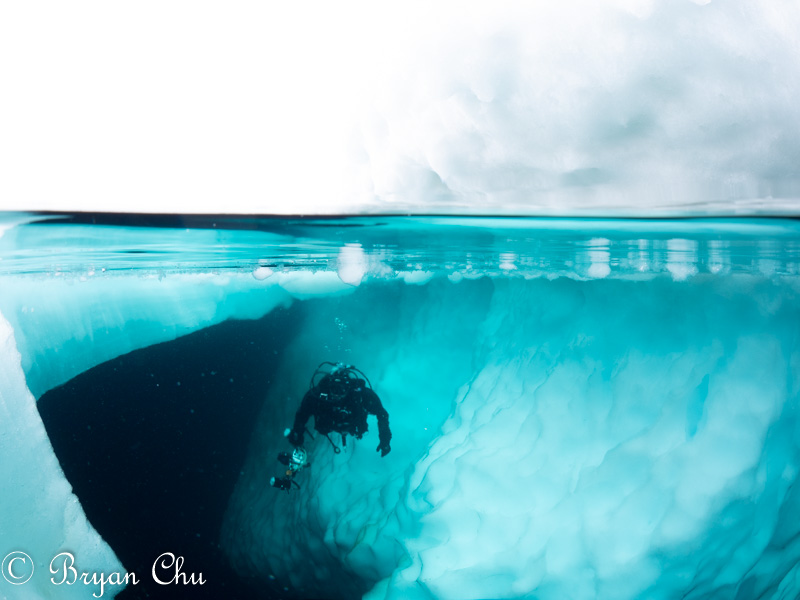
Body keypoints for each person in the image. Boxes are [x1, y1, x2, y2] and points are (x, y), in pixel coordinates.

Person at [287, 362, 391, 457]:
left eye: (341, 390)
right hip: (329, 425)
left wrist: (385, 438)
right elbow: (302, 415)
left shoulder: (360, 395)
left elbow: (381, 414)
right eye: (334, 389)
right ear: (328, 387)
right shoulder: (317, 396)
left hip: (353, 426)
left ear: (348, 388)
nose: (337, 394)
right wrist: (297, 434)